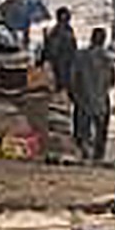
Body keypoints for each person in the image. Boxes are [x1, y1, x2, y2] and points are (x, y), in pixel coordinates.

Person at [71, 27, 115, 162]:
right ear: (103, 41)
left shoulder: (80, 55)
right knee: (101, 129)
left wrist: (75, 94)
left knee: (82, 127)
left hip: (83, 98)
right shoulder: (107, 59)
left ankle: (84, 151)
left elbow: (73, 77)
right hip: (101, 99)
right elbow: (112, 81)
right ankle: (98, 155)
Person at [40, 8, 82, 139]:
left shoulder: (56, 33)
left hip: (62, 71)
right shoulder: (64, 33)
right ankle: (75, 133)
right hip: (64, 72)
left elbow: (47, 53)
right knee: (67, 101)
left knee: (65, 101)